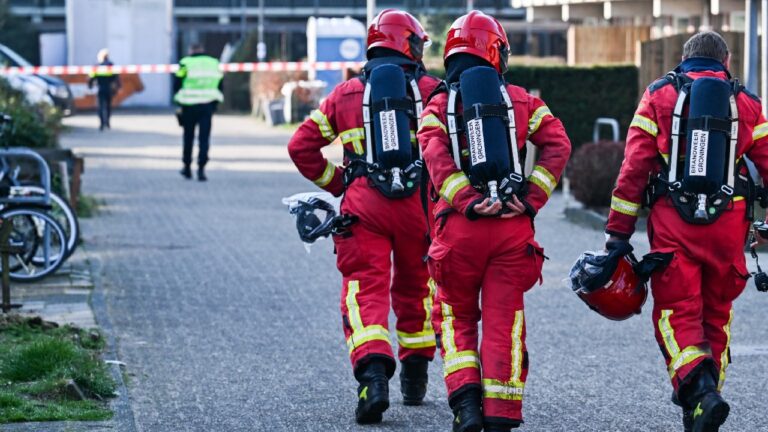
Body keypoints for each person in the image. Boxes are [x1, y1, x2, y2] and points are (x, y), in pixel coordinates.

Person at [605, 31, 768, 432]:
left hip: (675, 225)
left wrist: (618, 234)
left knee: (677, 312)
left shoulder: (659, 96)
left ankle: (700, 394)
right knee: (717, 314)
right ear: (726, 60)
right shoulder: (746, 102)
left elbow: (634, 170)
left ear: (683, 58)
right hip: (729, 225)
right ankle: (700, 409)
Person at [418, 11, 570, 432]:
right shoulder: (522, 100)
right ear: (495, 52)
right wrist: (531, 198)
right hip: (510, 230)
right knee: (505, 319)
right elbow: (558, 143)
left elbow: (435, 159)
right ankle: (501, 414)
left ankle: (466, 407)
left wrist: (466, 201)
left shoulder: (436, 107)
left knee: (454, 316)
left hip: (460, 231)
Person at [287, 9, 440, 424]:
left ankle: (373, 378)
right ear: (407, 44)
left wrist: (339, 183)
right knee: (417, 287)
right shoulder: (433, 91)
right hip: (420, 210)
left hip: (363, 208)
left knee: (363, 289)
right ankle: (414, 377)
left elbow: (300, 147)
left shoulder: (345, 94)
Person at [173, 44, 223, 182]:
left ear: (191, 51)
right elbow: (220, 83)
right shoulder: (213, 63)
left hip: (188, 105)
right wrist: (215, 103)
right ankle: (201, 169)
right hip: (207, 105)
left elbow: (177, 82)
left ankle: (187, 167)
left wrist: (177, 99)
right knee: (204, 138)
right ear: (202, 50)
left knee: (188, 137)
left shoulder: (185, 62)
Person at [88, 48, 120, 131]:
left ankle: (102, 124)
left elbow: (91, 77)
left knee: (100, 107)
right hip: (109, 88)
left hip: (100, 88)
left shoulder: (96, 66)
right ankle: (107, 123)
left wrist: (90, 85)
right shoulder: (111, 65)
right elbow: (116, 77)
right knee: (108, 106)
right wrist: (118, 86)